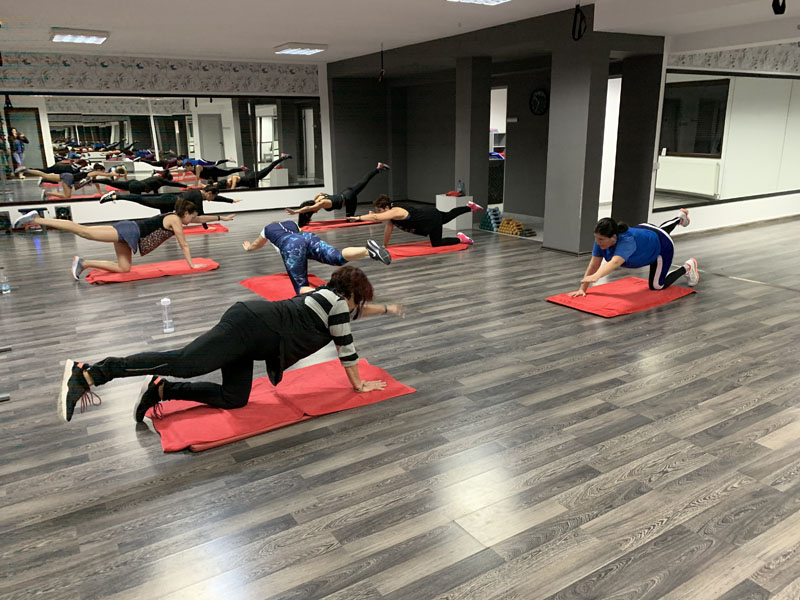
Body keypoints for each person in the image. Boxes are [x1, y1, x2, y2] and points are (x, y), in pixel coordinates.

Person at [56, 266, 405, 423]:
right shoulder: (338, 306)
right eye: (362, 300)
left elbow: (355, 312)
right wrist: (359, 385)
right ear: (353, 294)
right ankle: (92, 373)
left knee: (235, 398)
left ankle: (162, 390)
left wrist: (386, 309)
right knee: (185, 362)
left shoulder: (326, 297)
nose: (360, 307)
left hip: (254, 335)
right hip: (249, 328)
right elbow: (347, 349)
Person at [12, 197, 203, 280]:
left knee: (124, 268)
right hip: (129, 231)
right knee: (84, 231)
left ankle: (84, 263)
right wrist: (192, 265)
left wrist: (217, 217)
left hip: (130, 236)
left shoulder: (175, 217)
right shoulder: (175, 219)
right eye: (192, 217)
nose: (192, 221)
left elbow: (201, 220)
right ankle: (36, 219)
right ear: (186, 213)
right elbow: (184, 244)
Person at [568, 209, 698, 297]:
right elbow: (594, 264)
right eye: (596, 238)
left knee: (657, 285)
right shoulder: (601, 241)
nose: (597, 242)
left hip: (662, 247)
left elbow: (615, 263)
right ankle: (679, 219)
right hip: (645, 230)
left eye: (601, 239)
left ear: (613, 237)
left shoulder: (627, 242)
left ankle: (688, 267)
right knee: (659, 231)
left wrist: (596, 276)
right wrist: (582, 289)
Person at [243, 220, 391, 293]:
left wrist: (249, 247)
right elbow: (301, 237)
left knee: (301, 288)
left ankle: (331, 296)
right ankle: (367, 250)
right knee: (337, 257)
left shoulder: (267, 229)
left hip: (291, 245)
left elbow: (257, 244)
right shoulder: (291, 223)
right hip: (307, 237)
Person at [357, 194, 482, 247]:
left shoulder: (396, 211)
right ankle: (469, 207)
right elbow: (388, 229)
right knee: (449, 215)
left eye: (379, 210)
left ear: (386, 208)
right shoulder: (391, 215)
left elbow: (376, 218)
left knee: (437, 244)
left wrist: (358, 218)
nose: (379, 213)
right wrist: (385, 245)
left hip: (430, 219)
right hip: (428, 213)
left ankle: (461, 239)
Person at [287, 163, 391, 223]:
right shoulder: (319, 196)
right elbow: (310, 207)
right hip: (346, 192)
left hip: (349, 199)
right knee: (363, 181)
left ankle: (370, 215)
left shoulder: (321, 203)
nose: (316, 212)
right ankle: (378, 168)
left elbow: (308, 208)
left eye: (314, 211)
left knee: (350, 220)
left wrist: (295, 212)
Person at [217, 154, 291, 189]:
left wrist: (231, 188)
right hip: (251, 182)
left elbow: (234, 180)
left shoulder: (232, 179)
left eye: (227, 186)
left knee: (270, 167)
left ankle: (283, 157)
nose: (228, 187)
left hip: (253, 177)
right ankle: (245, 169)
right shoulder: (227, 184)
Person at [91, 171, 191, 195]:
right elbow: (174, 184)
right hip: (137, 186)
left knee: (112, 183)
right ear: (167, 179)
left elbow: (155, 192)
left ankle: (94, 180)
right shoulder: (162, 181)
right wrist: (186, 185)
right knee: (136, 200)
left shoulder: (156, 178)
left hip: (133, 182)